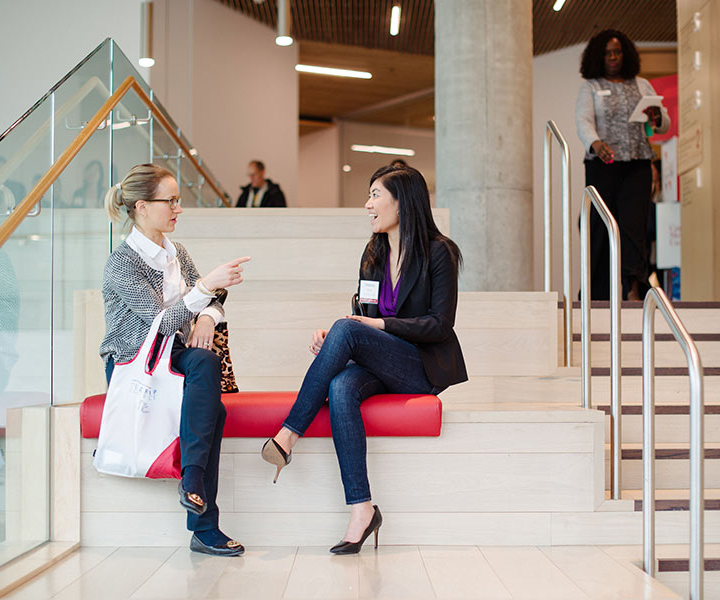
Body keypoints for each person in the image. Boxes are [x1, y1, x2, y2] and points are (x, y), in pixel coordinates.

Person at [260, 165, 467, 554]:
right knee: (340, 385)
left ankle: (288, 434)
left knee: (348, 329)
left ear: (402, 203)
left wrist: (371, 326)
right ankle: (361, 509)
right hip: (380, 362)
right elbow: (362, 311)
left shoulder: (439, 253)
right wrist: (342, 334)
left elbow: (440, 324)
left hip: (421, 367)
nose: (367, 205)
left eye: (375, 195)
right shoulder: (374, 252)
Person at [100, 163, 251, 556]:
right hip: (135, 362)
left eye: (178, 201)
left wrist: (205, 315)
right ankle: (203, 518)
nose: (178, 209)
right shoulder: (123, 263)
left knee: (207, 368)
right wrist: (204, 287)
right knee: (211, 406)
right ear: (141, 207)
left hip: (176, 357)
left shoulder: (176, 252)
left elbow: (213, 302)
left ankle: (193, 484)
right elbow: (160, 324)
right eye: (170, 201)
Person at [576, 29, 670, 301]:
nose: (613, 57)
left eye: (617, 51)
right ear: (598, 56)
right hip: (602, 166)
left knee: (634, 227)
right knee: (600, 227)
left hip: (637, 166)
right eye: (607, 53)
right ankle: (597, 293)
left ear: (625, 54)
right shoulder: (591, 87)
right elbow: (583, 121)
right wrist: (595, 143)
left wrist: (656, 118)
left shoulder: (642, 85)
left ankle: (632, 287)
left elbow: (663, 123)